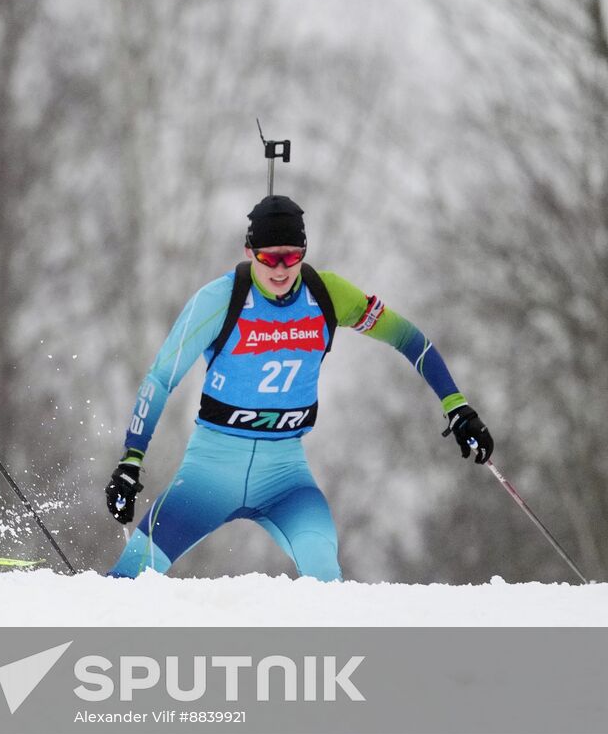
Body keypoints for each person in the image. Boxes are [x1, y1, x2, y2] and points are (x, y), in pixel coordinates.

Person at [103, 195, 494, 581]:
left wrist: (457, 405)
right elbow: (160, 378)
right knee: (129, 579)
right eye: (268, 257)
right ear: (248, 251)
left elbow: (408, 338)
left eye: (290, 256)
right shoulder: (219, 299)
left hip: (285, 478)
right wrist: (131, 460)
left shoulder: (327, 294)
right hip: (211, 470)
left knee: (326, 579)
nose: (279, 269)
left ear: (304, 251)